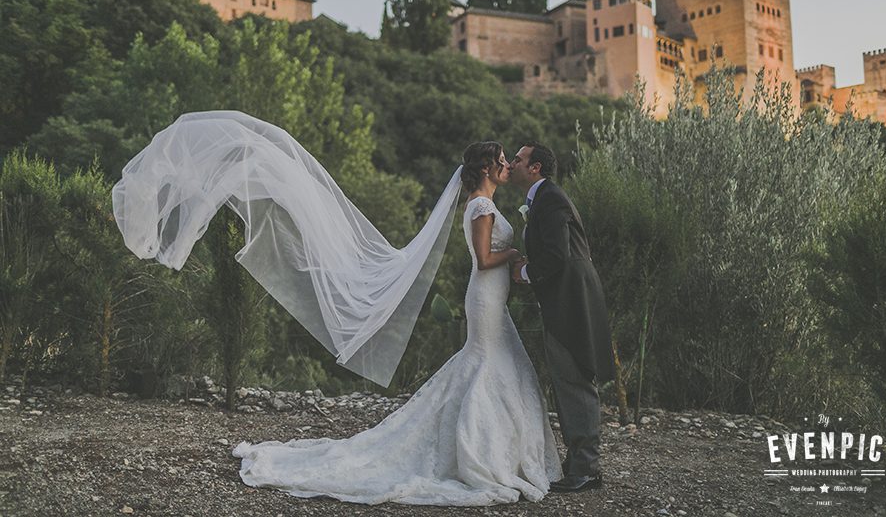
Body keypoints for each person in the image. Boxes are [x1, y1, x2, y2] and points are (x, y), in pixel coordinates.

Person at [231, 141, 563, 505]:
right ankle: (482, 453)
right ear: (485, 168)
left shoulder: (485, 204)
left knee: (493, 364)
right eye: (501, 162)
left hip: (491, 296)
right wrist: (515, 254)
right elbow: (484, 259)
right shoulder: (482, 206)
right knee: (486, 364)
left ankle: (494, 449)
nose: (506, 166)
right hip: (484, 295)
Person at [507, 142, 616, 493]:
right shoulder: (544, 198)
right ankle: (581, 462)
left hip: (571, 301)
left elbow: (557, 255)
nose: (512, 163)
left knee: (573, 378)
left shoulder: (550, 199)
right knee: (568, 378)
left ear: (535, 167)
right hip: (566, 299)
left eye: (519, 159)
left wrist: (523, 273)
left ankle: (586, 468)